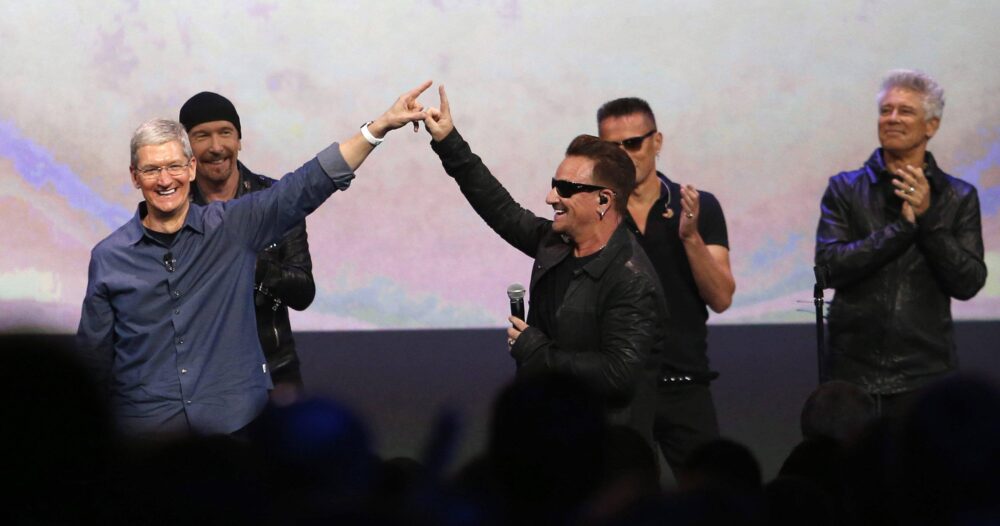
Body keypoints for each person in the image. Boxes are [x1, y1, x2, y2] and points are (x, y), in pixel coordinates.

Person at [76, 82, 431, 436]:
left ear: (191, 168)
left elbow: (307, 184)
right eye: (152, 170)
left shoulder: (232, 227)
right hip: (148, 433)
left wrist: (378, 128)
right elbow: (94, 358)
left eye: (174, 166)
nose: (165, 179)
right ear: (135, 177)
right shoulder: (109, 257)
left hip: (234, 425)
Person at [422, 86, 668, 444]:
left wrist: (538, 353)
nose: (551, 197)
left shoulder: (631, 278)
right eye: (554, 185)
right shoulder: (557, 243)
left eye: (565, 188)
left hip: (602, 454)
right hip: (550, 436)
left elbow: (617, 375)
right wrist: (448, 141)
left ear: (603, 200)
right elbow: (502, 210)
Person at [815, 69, 987, 418]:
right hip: (852, 372)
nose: (892, 119)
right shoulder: (845, 188)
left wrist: (928, 221)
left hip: (926, 373)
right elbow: (829, 268)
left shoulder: (958, 196)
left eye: (905, 111)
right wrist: (901, 230)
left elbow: (968, 282)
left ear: (931, 126)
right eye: (885, 110)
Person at [596, 98, 735, 477]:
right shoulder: (595, 213)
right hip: (620, 392)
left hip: (685, 386)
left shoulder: (700, 207)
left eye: (633, 143)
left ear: (656, 141)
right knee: (626, 499)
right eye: (612, 148)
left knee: (711, 496)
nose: (624, 156)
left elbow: (721, 297)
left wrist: (689, 237)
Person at [179, 92, 313, 395]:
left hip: (273, 371)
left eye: (225, 133)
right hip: (196, 379)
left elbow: (303, 292)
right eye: (202, 136)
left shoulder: (276, 200)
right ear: (186, 147)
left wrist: (253, 264)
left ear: (239, 139)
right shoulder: (173, 207)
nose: (216, 146)